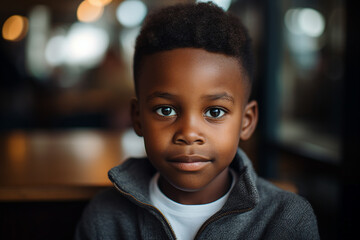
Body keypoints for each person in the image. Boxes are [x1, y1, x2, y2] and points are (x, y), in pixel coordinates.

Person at [75, 2, 320, 239]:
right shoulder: (105, 217)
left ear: (246, 122)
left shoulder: (285, 219)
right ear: (137, 118)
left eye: (214, 112)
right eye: (166, 110)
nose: (189, 133)